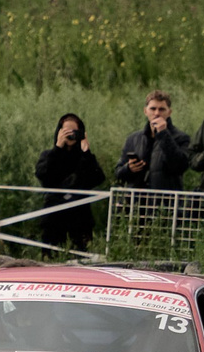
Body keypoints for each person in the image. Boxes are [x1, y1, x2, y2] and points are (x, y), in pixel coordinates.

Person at [35, 113, 108, 250]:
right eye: (66, 131)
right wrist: (57, 148)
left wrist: (86, 152)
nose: (70, 135)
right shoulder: (49, 155)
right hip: (54, 218)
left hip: (80, 218)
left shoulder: (84, 158)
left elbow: (98, 178)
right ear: (59, 132)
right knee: (51, 257)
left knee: (80, 258)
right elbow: (43, 176)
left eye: (74, 131)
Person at [116, 91, 190, 196]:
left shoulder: (181, 138)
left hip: (165, 201)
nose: (157, 113)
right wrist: (128, 168)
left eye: (162, 109)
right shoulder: (133, 139)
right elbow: (118, 173)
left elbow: (180, 166)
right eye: (153, 109)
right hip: (136, 200)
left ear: (169, 112)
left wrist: (163, 134)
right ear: (145, 111)